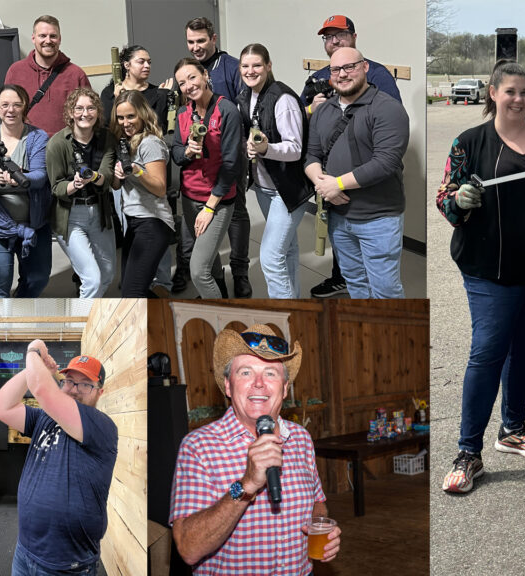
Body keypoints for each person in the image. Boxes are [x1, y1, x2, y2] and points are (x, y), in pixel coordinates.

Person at [436, 61, 525, 494]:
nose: (518, 99)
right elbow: (445, 202)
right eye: (509, 91)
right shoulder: (469, 143)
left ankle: (513, 429)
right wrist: (461, 199)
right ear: (492, 93)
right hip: (488, 269)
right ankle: (467, 452)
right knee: (488, 352)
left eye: (524, 92)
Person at [170, 325, 341, 574]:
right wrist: (247, 484)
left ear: (284, 389)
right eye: (246, 372)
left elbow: (318, 503)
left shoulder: (301, 438)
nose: (259, 384)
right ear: (228, 386)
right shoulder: (198, 447)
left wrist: (320, 528)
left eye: (270, 373)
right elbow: (188, 548)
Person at [0, 343, 118, 575]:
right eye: (68, 381)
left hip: (67, 566)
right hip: (25, 552)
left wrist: (33, 351)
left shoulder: (102, 426)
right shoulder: (45, 419)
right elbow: (0, 406)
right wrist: (37, 371)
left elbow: (43, 391)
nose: (73, 389)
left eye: (85, 384)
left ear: (100, 391)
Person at [302, 14, 403, 299]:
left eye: (350, 67)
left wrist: (337, 184)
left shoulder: (384, 96)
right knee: (355, 282)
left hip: (377, 213)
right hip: (338, 213)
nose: (342, 73)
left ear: (364, 67)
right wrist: (323, 185)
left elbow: (386, 158)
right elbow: (310, 151)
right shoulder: (323, 97)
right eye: (328, 37)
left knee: (385, 288)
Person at [182, 17, 250, 298]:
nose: (196, 46)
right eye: (191, 42)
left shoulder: (232, 67)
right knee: (202, 216)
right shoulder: (187, 70)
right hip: (200, 161)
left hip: (231, 153)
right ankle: (215, 277)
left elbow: (244, 109)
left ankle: (241, 271)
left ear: (214, 38)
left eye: (201, 41)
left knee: (237, 212)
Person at [238, 44, 312, 298]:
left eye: (257, 65)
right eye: (245, 66)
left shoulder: (284, 99)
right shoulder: (246, 96)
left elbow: (295, 149)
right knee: (288, 250)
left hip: (287, 191)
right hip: (265, 188)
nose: (251, 71)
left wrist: (265, 148)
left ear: (269, 66)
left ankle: (282, 320)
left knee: (270, 258)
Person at [0, 84, 52, 298]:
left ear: (24, 107)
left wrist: (21, 178)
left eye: (17, 104)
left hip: (34, 224)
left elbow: (40, 176)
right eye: (4, 105)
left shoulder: (38, 137)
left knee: (37, 280)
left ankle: (18, 316)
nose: (10, 110)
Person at [170, 57, 240, 299]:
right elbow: (177, 154)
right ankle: (218, 291)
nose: (188, 85)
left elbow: (231, 165)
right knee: (207, 258)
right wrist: (189, 150)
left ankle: (221, 319)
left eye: (192, 77)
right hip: (189, 197)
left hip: (217, 200)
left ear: (205, 75)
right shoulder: (182, 113)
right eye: (182, 83)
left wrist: (210, 207)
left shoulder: (226, 110)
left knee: (198, 271)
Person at [46, 87, 117, 298]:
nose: (85, 113)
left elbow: (107, 175)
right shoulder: (57, 144)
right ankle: (83, 324)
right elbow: (56, 187)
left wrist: (93, 177)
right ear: (70, 112)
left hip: (99, 212)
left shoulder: (106, 138)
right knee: (92, 280)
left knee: (107, 274)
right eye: (79, 108)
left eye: (90, 108)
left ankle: (86, 309)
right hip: (70, 216)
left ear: (98, 112)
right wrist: (74, 184)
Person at [110, 90, 173, 297]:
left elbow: (160, 187)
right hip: (135, 221)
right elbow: (118, 187)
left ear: (142, 114)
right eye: (120, 117)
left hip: (153, 222)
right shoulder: (126, 143)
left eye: (131, 116)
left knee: (132, 293)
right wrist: (119, 175)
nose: (125, 122)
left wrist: (138, 171)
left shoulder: (150, 143)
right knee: (131, 290)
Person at [4, 15, 90, 137]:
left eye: (53, 36)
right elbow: (6, 112)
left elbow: (87, 116)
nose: (48, 41)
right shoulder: (15, 71)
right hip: (27, 145)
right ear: (33, 38)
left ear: (60, 39)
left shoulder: (76, 74)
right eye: (42, 36)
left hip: (64, 147)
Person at [99, 45, 173, 132]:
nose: (147, 66)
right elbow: (106, 126)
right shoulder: (110, 92)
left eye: (149, 62)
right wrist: (117, 101)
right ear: (127, 65)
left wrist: (163, 96)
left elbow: (160, 128)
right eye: (141, 62)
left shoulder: (157, 92)